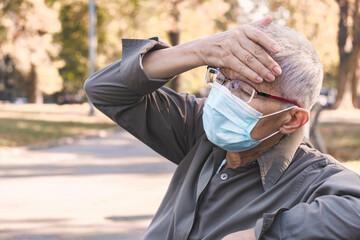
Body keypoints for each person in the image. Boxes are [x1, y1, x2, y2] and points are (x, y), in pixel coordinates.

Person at [84, 16, 360, 240]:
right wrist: (199, 50)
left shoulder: (310, 178)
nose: (224, 95)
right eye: (222, 78)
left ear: (292, 119)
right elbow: (103, 90)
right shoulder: (199, 127)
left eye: (245, 89)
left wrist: (262, 234)